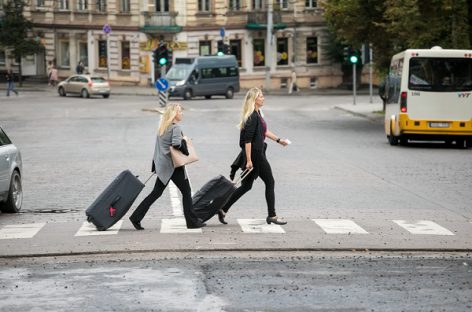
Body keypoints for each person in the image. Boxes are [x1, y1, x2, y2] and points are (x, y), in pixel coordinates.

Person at [129, 103, 206, 230]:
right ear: (174, 114)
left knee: (156, 193)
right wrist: (185, 148)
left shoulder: (163, 127)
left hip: (163, 165)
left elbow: (158, 148)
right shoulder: (175, 127)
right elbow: (176, 144)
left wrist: (155, 165)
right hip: (173, 166)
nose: (182, 113)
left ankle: (136, 217)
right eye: (180, 111)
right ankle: (192, 222)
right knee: (186, 192)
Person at [218, 87, 288, 226]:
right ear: (254, 100)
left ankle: (223, 209)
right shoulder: (252, 116)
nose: (263, 98)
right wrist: (249, 160)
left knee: (246, 186)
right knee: (270, 182)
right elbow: (247, 141)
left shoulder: (258, 113)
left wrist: (279, 140)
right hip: (256, 155)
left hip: (256, 153)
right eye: (260, 96)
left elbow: (265, 131)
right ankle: (272, 215)